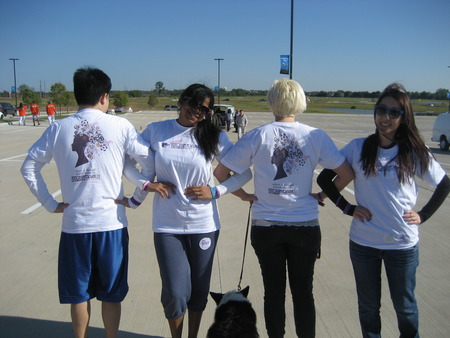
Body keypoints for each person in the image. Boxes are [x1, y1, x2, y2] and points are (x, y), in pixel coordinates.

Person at [20, 67, 165, 338]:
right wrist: (136, 198)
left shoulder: (57, 129)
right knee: (111, 293)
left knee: (78, 294)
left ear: (77, 94)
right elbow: (149, 162)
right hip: (111, 224)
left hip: (75, 226)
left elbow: (29, 167)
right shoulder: (120, 125)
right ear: (104, 97)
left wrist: (50, 204)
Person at [213, 79, 354, 338]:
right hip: (305, 225)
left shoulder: (258, 135)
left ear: (271, 102)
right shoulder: (316, 136)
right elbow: (344, 173)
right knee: (303, 294)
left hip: (266, 226)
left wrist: (244, 195)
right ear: (300, 102)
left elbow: (221, 171)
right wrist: (321, 194)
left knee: (273, 293)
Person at [317, 83, 450, 338]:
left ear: (404, 117)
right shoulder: (358, 147)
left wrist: (423, 215)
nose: (385, 117)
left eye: (394, 113)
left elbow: (444, 184)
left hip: (401, 244)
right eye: (381, 110)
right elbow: (325, 178)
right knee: (368, 308)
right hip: (364, 243)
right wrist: (347, 207)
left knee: (405, 308)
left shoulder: (413, 151)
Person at [122, 84, 252, 338]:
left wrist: (215, 191)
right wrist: (147, 184)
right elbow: (126, 162)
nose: (198, 113)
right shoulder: (156, 131)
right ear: (182, 101)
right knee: (174, 292)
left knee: (199, 291)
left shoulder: (214, 136)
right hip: (167, 225)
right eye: (194, 105)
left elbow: (244, 173)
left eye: (205, 110)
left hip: (203, 224)